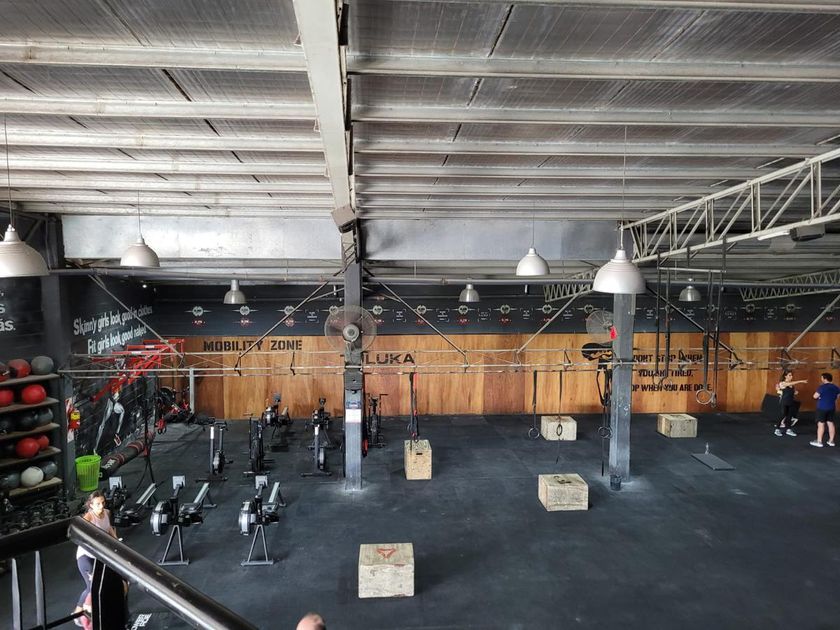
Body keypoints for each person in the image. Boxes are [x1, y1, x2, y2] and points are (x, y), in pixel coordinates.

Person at [73, 490, 118, 626]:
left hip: (99, 556)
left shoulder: (107, 513)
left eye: (102, 503)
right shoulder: (88, 517)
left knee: (103, 584)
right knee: (92, 586)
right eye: (97, 504)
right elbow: (80, 535)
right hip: (85, 557)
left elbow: (109, 528)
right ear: (91, 505)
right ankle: (77, 613)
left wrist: (116, 541)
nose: (101, 506)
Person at [810, 372, 840, 447]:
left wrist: (821, 397)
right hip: (831, 408)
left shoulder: (822, 387)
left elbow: (814, 396)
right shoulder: (836, 387)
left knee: (821, 424)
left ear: (825, 379)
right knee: (830, 423)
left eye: (822, 378)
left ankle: (819, 441)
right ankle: (831, 441)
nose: (821, 379)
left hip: (822, 408)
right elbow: (837, 396)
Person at [775, 370, 806, 437]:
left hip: (791, 402)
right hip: (784, 402)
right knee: (783, 415)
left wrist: (795, 392)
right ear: (785, 376)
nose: (791, 376)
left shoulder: (791, 384)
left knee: (789, 416)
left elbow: (790, 392)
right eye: (789, 375)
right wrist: (800, 381)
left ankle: (788, 429)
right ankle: (777, 429)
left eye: (791, 375)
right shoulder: (782, 383)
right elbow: (787, 386)